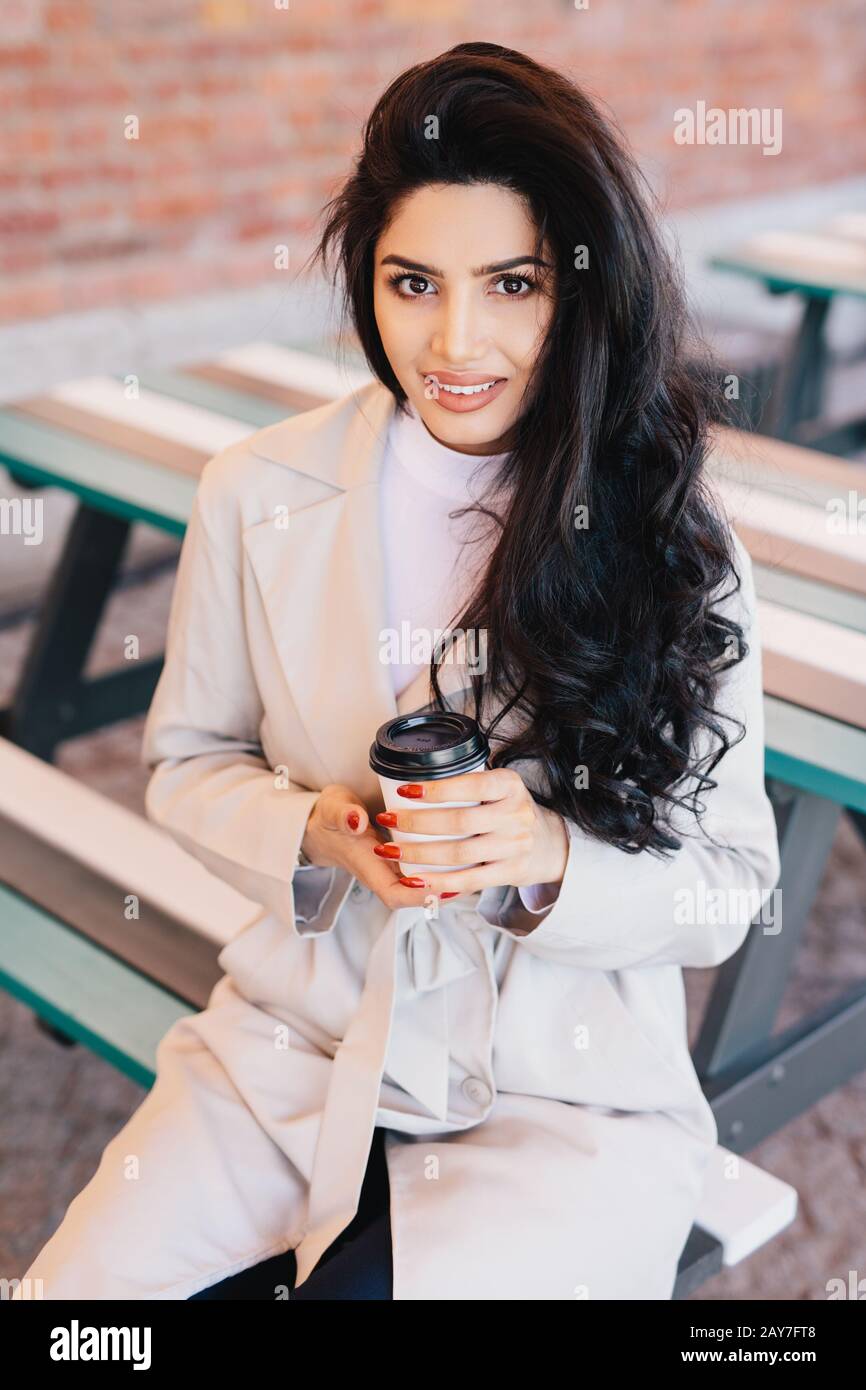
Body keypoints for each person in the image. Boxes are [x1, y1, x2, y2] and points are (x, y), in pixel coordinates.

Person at [15, 41, 780, 1302]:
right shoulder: (254, 492)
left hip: (558, 1092)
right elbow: (185, 764)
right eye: (411, 282)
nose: (455, 341)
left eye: (512, 284)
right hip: (295, 1048)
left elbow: (728, 887)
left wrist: (544, 859)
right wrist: (312, 828)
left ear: (581, 291)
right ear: (363, 279)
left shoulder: (667, 534)